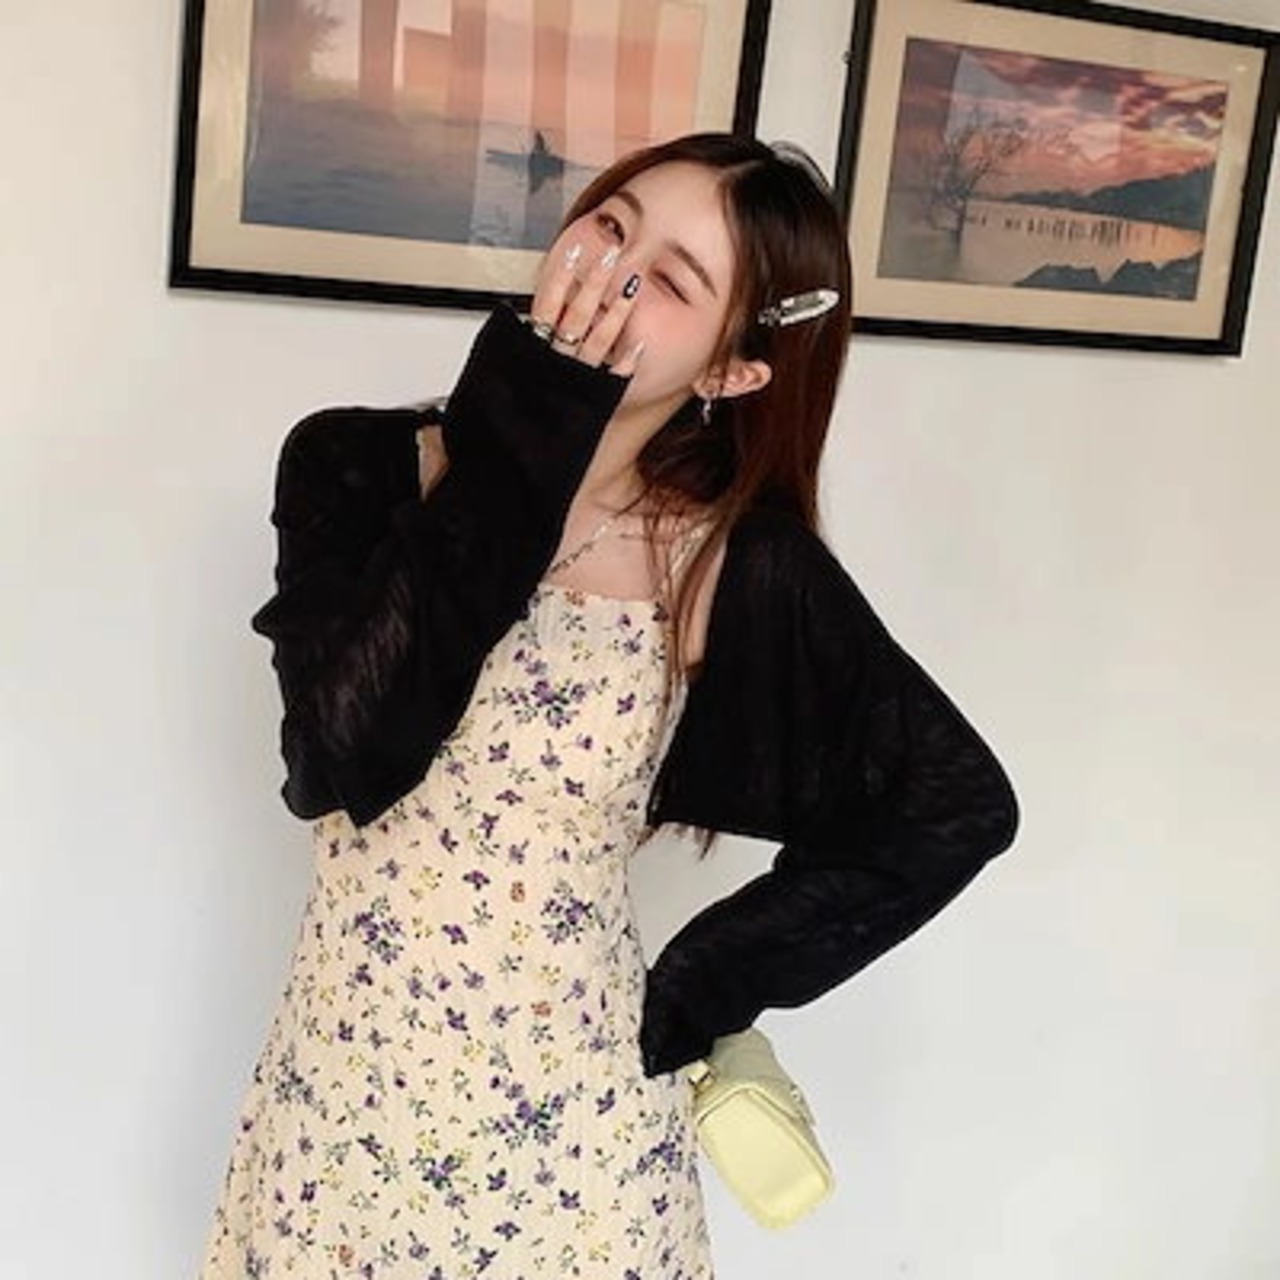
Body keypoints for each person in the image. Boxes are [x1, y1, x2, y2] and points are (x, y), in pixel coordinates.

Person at [198, 133, 1019, 1279]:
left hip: (575, 1136)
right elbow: (345, 754)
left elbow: (953, 804)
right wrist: (528, 426)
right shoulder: (357, 463)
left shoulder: (728, 561)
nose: (612, 275)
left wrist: (711, 977)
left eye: (670, 280)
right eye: (611, 225)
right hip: (339, 1108)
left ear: (731, 371)